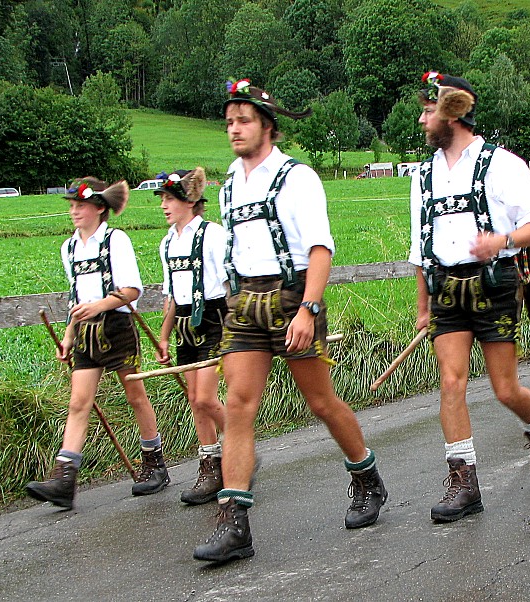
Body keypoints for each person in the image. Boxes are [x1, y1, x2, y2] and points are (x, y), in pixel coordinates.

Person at [193, 79, 387, 563]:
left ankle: (367, 477)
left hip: (291, 298)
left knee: (320, 401)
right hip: (245, 306)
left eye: (243, 120)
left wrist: (309, 308)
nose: (234, 130)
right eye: (229, 122)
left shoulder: (297, 177)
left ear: (268, 126)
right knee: (238, 404)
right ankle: (235, 524)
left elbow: (320, 248)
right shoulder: (230, 183)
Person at [409, 71, 530, 523]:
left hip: (493, 285)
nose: (421, 119)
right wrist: (421, 305)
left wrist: (502, 240)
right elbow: (420, 246)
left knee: (504, 388)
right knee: (451, 382)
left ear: (452, 113)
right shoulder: (422, 175)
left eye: (428, 110)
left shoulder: (502, 165)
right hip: (445, 291)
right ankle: (463, 480)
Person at [27, 178, 171, 509]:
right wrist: (68, 335)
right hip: (85, 333)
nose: (74, 212)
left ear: (100, 209)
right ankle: (64, 480)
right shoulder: (69, 248)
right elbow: (75, 298)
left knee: (135, 396)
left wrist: (100, 305)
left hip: (117, 328)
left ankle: (154, 464)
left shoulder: (115, 240)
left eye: (80, 206)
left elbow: (132, 291)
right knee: (79, 402)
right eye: (72, 206)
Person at [154, 168, 228, 505]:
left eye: (170, 198)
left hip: (214, 319)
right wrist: (164, 337)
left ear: (190, 200)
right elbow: (171, 296)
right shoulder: (168, 243)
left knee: (204, 397)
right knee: (194, 398)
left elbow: (229, 286)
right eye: (163, 199)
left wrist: (237, 328)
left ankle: (241, 447)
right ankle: (211, 466)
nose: (164, 205)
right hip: (185, 323)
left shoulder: (212, 235)